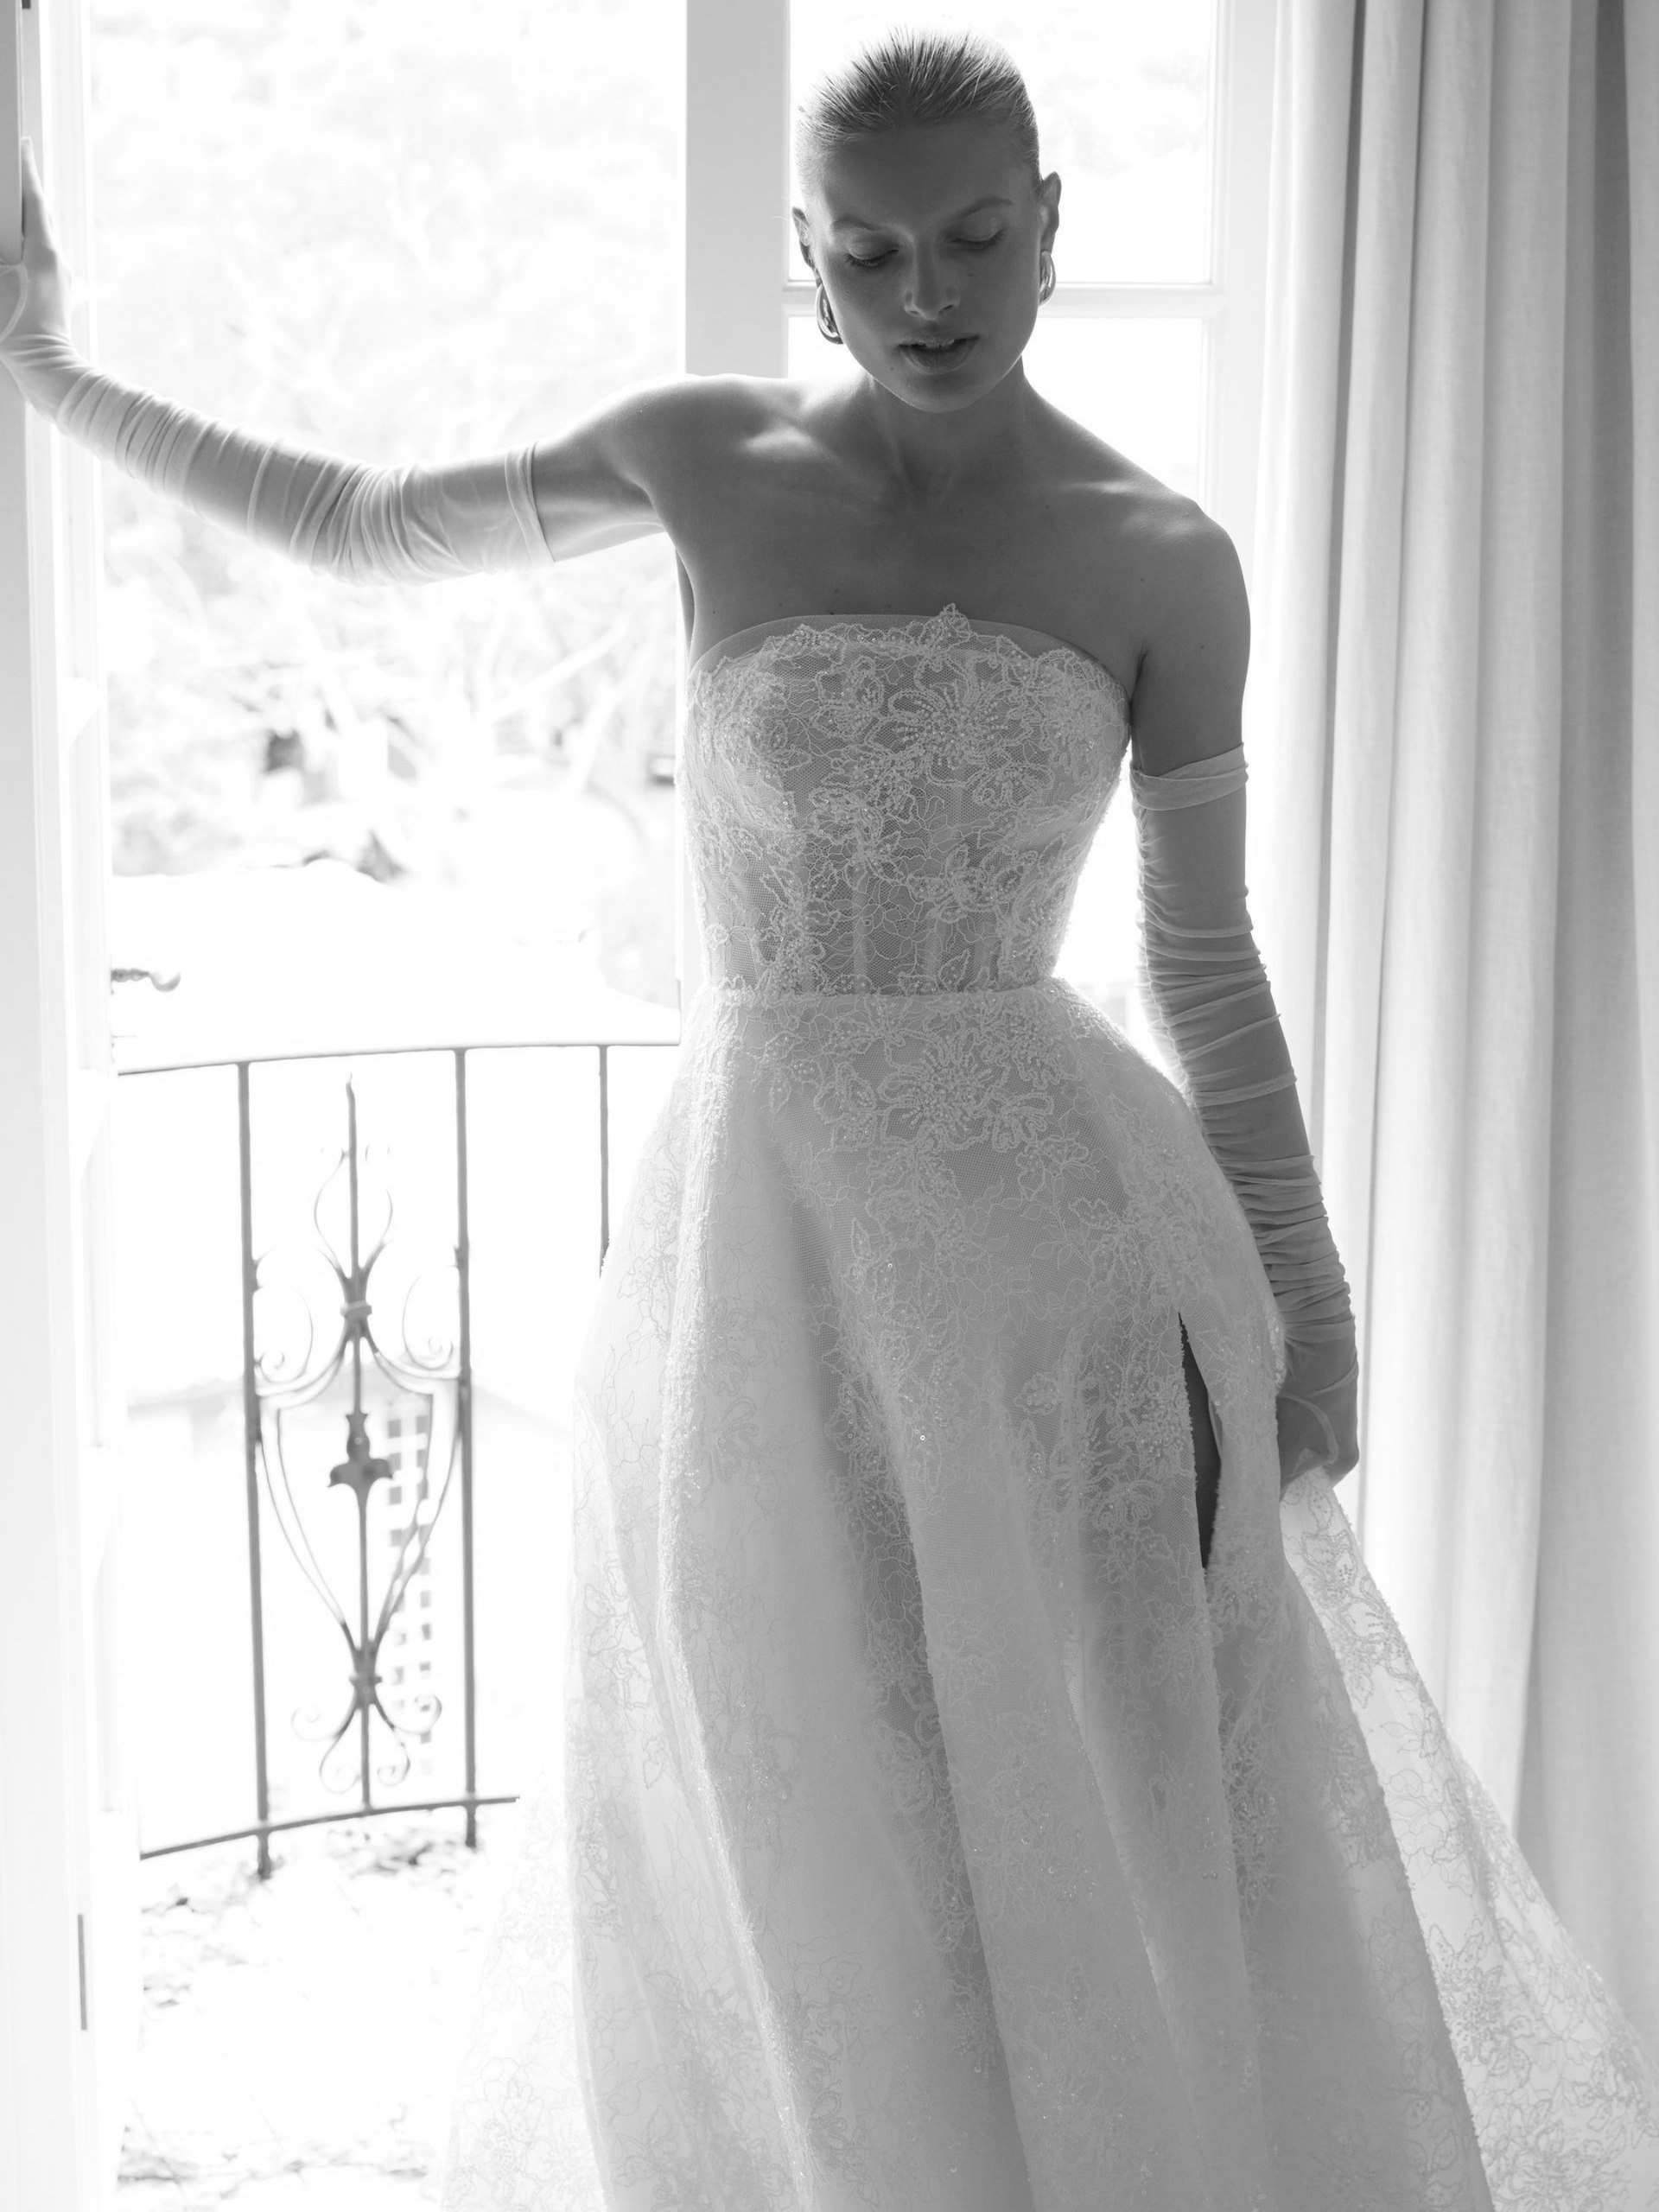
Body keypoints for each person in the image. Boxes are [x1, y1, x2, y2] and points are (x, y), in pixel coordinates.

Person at [5, 30, 1656, 2210]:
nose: (927, 289)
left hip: (1061, 1279)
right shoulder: (707, 462)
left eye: (973, 235)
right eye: (869, 250)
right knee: (789, 1826)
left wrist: (1310, 1303)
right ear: (806, 256)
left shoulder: (1164, 557)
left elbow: (1204, 958)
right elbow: (364, 525)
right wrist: (46, 371)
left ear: (1051, 227)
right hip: (758, 1269)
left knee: (1083, 1821)